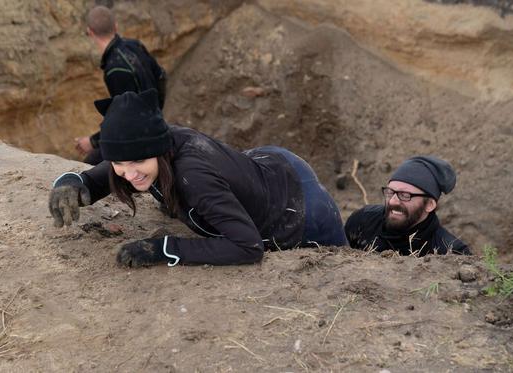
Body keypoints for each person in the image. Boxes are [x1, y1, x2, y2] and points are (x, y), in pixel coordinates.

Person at [49, 89, 347, 267]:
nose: (130, 173)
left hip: (303, 207)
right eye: (119, 163)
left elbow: (248, 247)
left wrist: (163, 250)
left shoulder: (194, 178)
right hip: (262, 164)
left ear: (158, 151)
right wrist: (77, 182)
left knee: (347, 263)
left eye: (138, 161)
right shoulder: (156, 148)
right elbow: (120, 166)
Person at [75, 5, 167, 165]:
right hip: (156, 122)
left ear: (90, 32)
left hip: (142, 137)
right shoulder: (135, 45)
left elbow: (124, 117)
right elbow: (161, 77)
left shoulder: (114, 68)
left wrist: (93, 141)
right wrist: (156, 113)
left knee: (89, 165)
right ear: (115, 26)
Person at [344, 156, 471, 256]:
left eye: (405, 195)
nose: (393, 201)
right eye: (390, 192)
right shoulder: (363, 222)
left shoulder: (450, 252)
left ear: (430, 205)